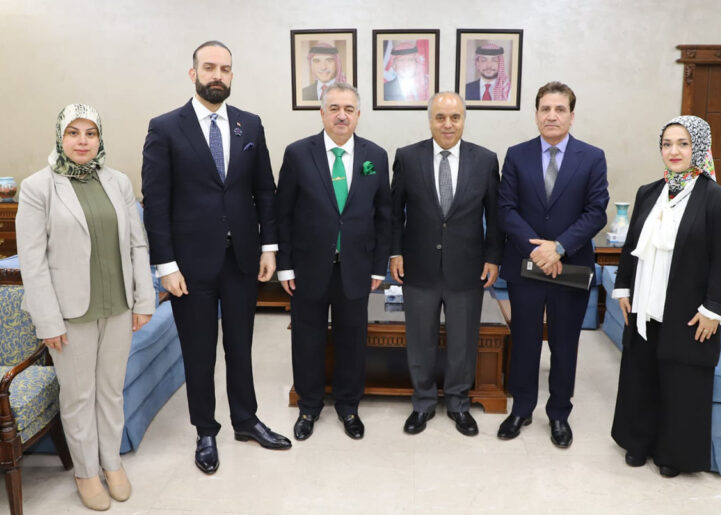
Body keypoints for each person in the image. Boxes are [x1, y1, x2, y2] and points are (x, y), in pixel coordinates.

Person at [141, 40, 291, 475]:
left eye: (225, 69)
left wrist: (269, 247)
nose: (217, 76)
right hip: (189, 266)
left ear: (231, 75)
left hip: (242, 258)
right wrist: (165, 265)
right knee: (200, 351)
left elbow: (265, 190)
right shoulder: (165, 128)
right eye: (209, 68)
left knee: (240, 346)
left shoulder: (250, 124)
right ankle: (205, 430)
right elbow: (156, 201)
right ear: (193, 74)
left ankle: (246, 420)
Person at [16, 104, 155, 510]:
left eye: (90, 133)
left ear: (99, 138)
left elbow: (137, 244)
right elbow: (32, 261)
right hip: (69, 313)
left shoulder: (118, 181)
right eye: (73, 133)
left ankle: (111, 463)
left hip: (118, 306)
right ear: (61, 136)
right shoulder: (38, 187)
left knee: (111, 391)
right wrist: (47, 320)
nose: (82, 141)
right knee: (79, 396)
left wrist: (143, 299)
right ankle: (86, 472)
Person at [611, 116, 721, 477]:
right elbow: (631, 245)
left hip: (687, 309)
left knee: (681, 381)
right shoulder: (648, 192)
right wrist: (623, 287)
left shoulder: (718, 199)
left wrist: (713, 310)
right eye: (667, 144)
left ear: (699, 147)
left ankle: (674, 454)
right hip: (645, 303)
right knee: (641, 374)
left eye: (683, 143)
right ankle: (638, 442)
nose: (674, 151)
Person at [277, 82, 392, 441]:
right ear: (322, 112)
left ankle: (348, 406)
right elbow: (283, 214)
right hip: (308, 267)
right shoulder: (298, 154)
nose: (342, 115)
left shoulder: (376, 156)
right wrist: (285, 265)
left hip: (356, 267)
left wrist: (379, 266)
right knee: (307, 339)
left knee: (352, 340)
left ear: (358, 114)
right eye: (334, 108)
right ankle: (309, 407)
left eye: (349, 109)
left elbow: (384, 216)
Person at [497, 81, 609, 448]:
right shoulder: (517, 155)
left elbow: (596, 212)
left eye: (560, 109)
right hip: (526, 265)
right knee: (525, 341)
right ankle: (521, 408)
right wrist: (538, 251)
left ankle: (559, 413)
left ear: (571, 116)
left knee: (564, 344)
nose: (552, 115)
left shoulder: (592, 157)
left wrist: (558, 248)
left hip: (570, 266)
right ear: (536, 114)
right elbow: (506, 209)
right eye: (545, 109)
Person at [390, 92, 502, 436]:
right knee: (419, 341)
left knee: (463, 342)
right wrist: (395, 253)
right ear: (430, 120)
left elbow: (495, 215)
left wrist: (493, 258)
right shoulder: (407, 157)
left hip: (467, 268)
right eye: (440, 117)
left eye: (455, 117)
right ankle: (422, 403)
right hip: (418, 267)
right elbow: (393, 213)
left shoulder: (485, 160)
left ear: (464, 120)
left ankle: (458, 403)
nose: (448, 124)